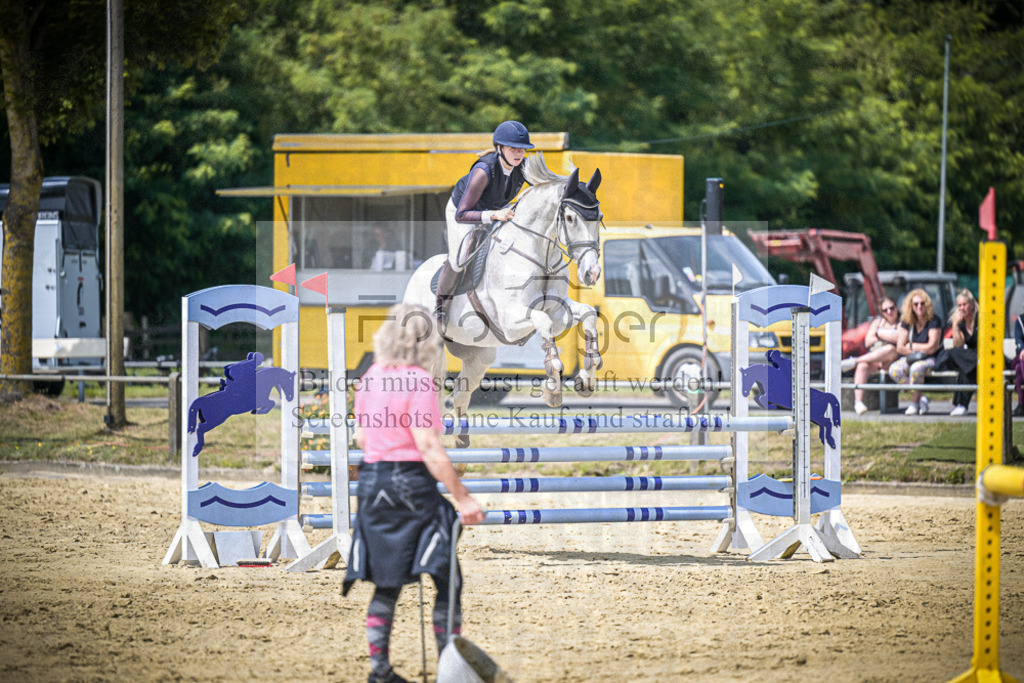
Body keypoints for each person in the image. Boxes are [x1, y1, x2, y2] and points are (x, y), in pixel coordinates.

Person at [342, 303, 485, 683]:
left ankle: (380, 672)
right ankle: (449, 669)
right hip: (409, 484)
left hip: (372, 485)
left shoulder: (370, 378)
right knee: (446, 579)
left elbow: (362, 438)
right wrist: (462, 497)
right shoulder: (419, 381)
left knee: (386, 583)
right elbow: (428, 446)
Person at [434, 120, 534, 324]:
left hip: (495, 210)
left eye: (522, 149)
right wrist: (494, 215)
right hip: (463, 211)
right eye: (513, 149)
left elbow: (544, 185)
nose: (519, 154)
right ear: (500, 148)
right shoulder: (483, 171)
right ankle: (440, 306)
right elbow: (462, 214)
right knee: (459, 259)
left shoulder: (522, 166)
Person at [841, 297, 901, 415]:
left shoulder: (901, 322)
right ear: (881, 312)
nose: (889, 312)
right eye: (885, 310)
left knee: (890, 349)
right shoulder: (877, 322)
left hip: (892, 360)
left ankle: (854, 361)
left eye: (891, 308)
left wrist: (878, 333)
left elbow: (897, 337)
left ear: (896, 308)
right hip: (874, 359)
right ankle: (858, 402)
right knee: (863, 366)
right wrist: (888, 335)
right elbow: (868, 341)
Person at [888, 289, 943, 415]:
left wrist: (912, 345)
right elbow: (900, 348)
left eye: (922, 303)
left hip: (930, 358)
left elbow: (932, 347)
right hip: (911, 357)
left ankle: (914, 403)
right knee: (894, 370)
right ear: (911, 306)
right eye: (916, 304)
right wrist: (918, 349)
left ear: (927, 305)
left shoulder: (934, 320)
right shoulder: (906, 321)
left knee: (916, 368)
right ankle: (921, 397)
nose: (919, 306)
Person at [934, 289, 978, 416]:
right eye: (959, 305)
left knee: (965, 367)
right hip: (973, 360)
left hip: (984, 355)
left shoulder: (980, 319)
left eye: (964, 305)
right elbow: (958, 345)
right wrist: (955, 325)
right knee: (954, 353)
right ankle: (961, 405)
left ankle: (961, 405)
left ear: (971, 305)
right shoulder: (961, 323)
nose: (962, 308)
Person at [1012, 305, 1024, 417]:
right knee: (1020, 363)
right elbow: (1018, 339)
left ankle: (1021, 404)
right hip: (1021, 356)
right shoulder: (1020, 320)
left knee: (1019, 368)